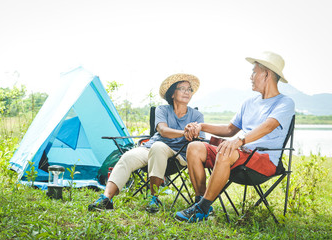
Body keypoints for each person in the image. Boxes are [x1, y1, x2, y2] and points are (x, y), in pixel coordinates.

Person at [175, 51, 295, 222]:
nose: (251, 76)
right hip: (239, 155)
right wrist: (201, 126)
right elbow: (229, 129)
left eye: (254, 71)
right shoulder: (248, 103)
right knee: (194, 147)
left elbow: (268, 126)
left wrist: (239, 141)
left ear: (267, 74)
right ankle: (201, 204)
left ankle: (201, 208)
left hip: (263, 160)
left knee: (226, 151)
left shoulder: (284, 102)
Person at [88, 73, 205, 213]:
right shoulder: (162, 110)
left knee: (159, 147)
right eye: (182, 88)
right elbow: (163, 130)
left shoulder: (197, 116)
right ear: (172, 93)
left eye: (189, 89)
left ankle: (154, 198)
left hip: (178, 154)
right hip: (151, 147)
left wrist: (194, 134)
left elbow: (200, 139)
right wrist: (184, 132)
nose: (187, 92)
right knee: (127, 157)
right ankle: (106, 199)